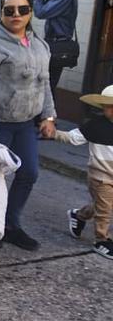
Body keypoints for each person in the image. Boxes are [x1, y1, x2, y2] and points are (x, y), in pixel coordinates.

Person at [0, 0, 56, 251]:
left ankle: (10, 225)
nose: (16, 15)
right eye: (9, 10)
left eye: (22, 9)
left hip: (25, 123)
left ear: (30, 12)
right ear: (1, 13)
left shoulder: (40, 45)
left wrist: (48, 116)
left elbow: (45, 83)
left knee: (29, 172)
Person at [59, 85, 113, 259]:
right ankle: (101, 240)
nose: (111, 111)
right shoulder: (96, 125)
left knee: (103, 204)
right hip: (100, 175)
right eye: (108, 107)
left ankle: (79, 215)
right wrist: (54, 134)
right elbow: (74, 138)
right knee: (104, 208)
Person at [30, 0, 78, 98]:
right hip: (53, 44)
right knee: (44, 85)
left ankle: (46, 117)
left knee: (47, 87)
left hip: (57, 46)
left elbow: (41, 12)